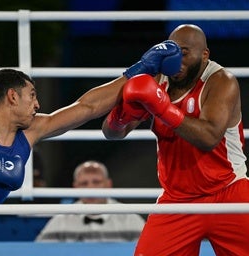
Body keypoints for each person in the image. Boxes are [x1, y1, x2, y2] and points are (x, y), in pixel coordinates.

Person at [0, 36, 181, 255]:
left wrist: (138, 71)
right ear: (12, 97)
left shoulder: (30, 131)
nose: (38, 103)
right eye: (32, 95)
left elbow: (86, 107)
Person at [102, 24, 249, 256]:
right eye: (172, 51)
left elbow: (208, 136)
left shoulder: (221, 82)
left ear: (204, 55)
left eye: (184, 52)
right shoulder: (158, 79)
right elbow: (112, 132)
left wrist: (161, 107)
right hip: (177, 199)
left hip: (228, 190)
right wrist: (122, 116)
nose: (176, 59)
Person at [36, 160, 145, 242]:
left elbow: (150, 249)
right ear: (75, 187)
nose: (90, 188)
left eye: (96, 182)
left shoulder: (128, 217)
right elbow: (40, 250)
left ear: (108, 184)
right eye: (84, 183)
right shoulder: (62, 219)